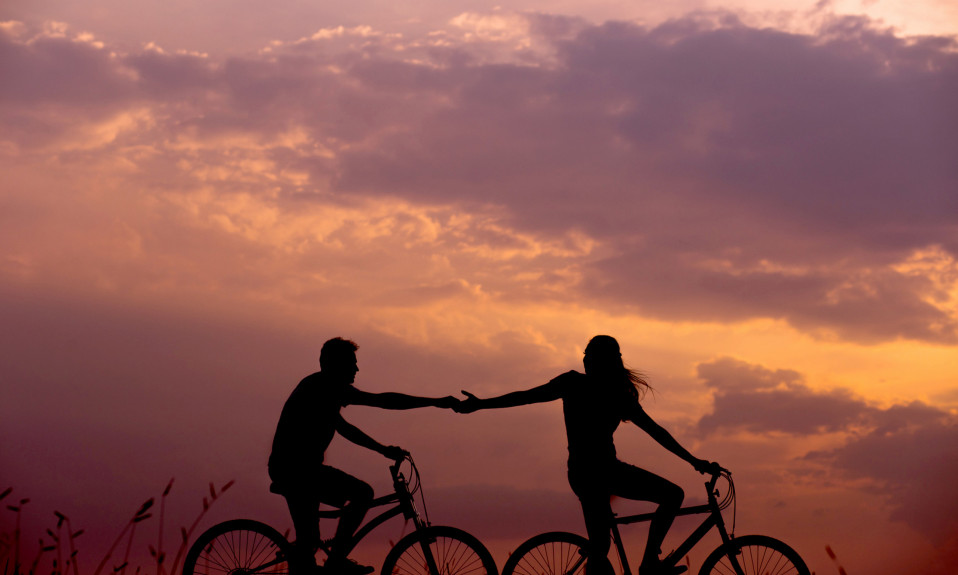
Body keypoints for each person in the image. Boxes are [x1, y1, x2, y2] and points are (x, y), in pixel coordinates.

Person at [455, 335, 720, 575]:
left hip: (589, 473)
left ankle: (643, 562)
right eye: (585, 354)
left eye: (590, 354)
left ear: (602, 360)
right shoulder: (591, 388)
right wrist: (481, 404)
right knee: (670, 497)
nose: (584, 359)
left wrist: (694, 461)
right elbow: (526, 397)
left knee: (601, 545)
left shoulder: (598, 390)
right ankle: (650, 562)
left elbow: (656, 431)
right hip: (600, 472)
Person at [269, 337, 459, 574]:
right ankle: (336, 560)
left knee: (309, 544)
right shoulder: (323, 387)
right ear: (335, 364)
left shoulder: (322, 391)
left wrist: (383, 449)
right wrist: (435, 402)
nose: (357, 369)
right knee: (361, 494)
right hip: (296, 471)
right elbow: (382, 401)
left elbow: (345, 428)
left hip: (300, 470)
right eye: (351, 363)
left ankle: (330, 560)